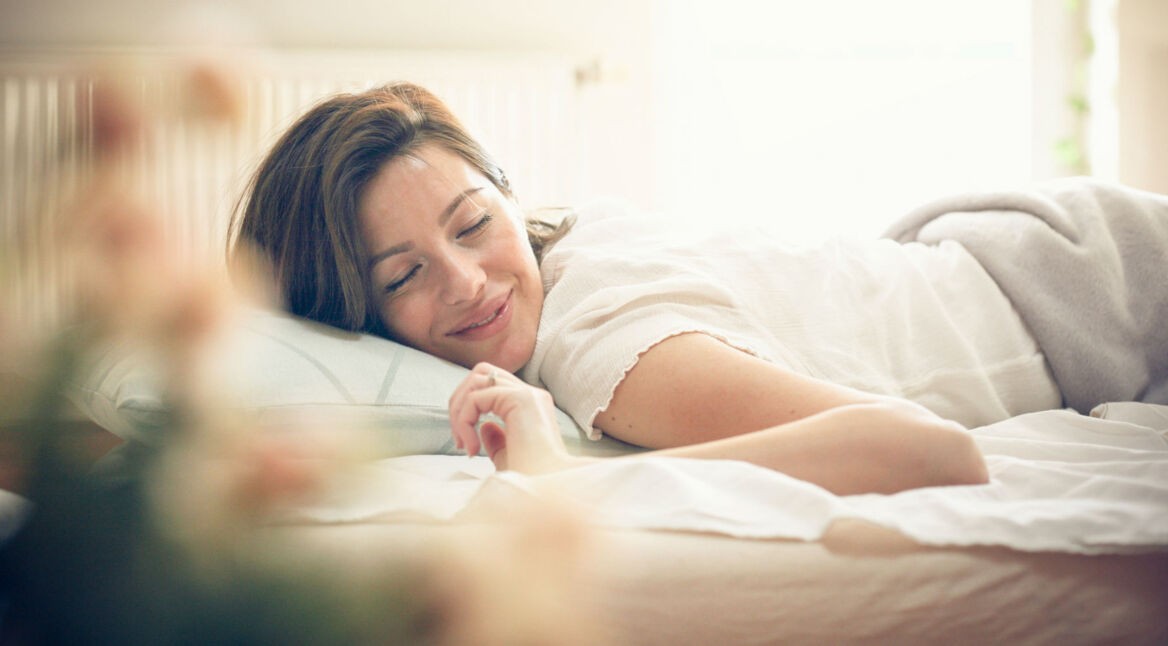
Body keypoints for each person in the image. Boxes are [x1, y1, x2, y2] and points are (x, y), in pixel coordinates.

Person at [230, 82, 1168, 495]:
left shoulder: (601, 337)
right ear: (354, 317)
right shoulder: (578, 270)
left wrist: (560, 485)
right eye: (405, 276)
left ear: (513, 197)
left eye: (475, 222)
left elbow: (924, 453)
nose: (471, 281)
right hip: (1049, 258)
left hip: (1095, 285)